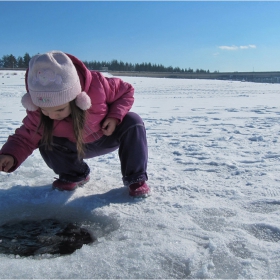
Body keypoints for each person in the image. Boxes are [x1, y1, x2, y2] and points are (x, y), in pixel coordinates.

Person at [0, 51, 150, 198]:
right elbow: (26, 136)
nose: (52, 115)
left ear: (76, 98)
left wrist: (114, 117)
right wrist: (10, 154)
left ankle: (136, 179)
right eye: (45, 110)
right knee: (45, 141)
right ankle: (74, 174)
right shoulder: (37, 113)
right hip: (70, 146)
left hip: (105, 136)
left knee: (133, 122)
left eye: (59, 109)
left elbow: (126, 91)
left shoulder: (98, 85)